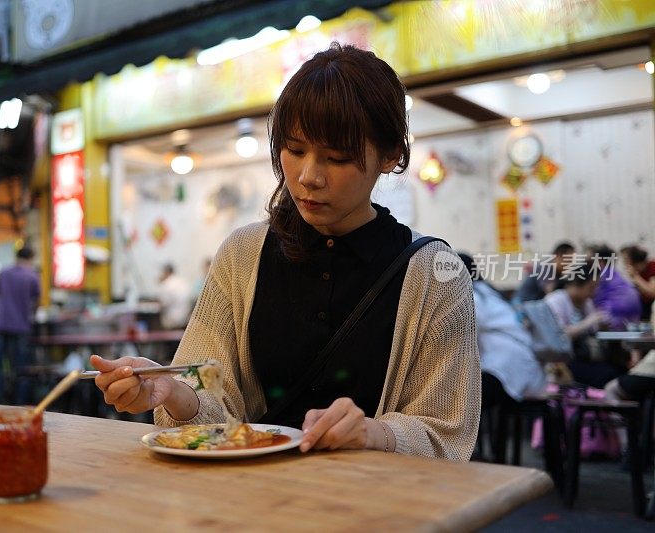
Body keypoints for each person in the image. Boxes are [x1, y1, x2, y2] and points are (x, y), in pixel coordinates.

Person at [90, 43, 480, 461]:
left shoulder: (437, 276)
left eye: (337, 157)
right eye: (294, 150)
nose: (309, 177)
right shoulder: (242, 255)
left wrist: (375, 433)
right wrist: (170, 390)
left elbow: (447, 434)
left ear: (390, 156)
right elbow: (208, 394)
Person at [459, 254, 545, 408]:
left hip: (505, 366)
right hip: (520, 362)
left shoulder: (473, 294)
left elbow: (465, 332)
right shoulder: (487, 291)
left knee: (460, 399)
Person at [544, 264, 620, 389]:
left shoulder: (586, 303)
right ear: (576, 284)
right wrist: (589, 322)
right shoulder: (555, 300)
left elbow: (593, 332)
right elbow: (559, 335)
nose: (595, 292)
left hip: (582, 357)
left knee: (617, 369)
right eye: (591, 287)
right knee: (607, 375)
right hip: (561, 363)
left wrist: (602, 325)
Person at [0, 246, 41, 404]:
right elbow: (36, 301)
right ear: (31, 258)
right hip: (21, 327)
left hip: (1, 325)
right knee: (20, 369)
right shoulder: (32, 276)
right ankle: (19, 403)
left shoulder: (4, 273)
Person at [587, 244, 642, 330]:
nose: (585, 265)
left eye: (589, 261)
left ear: (600, 261)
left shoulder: (601, 277)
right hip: (630, 324)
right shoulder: (615, 276)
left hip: (615, 325)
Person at [620, 245, 655, 322]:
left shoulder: (652, 266)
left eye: (626, 260)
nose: (625, 264)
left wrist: (635, 276)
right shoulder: (638, 272)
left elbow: (652, 292)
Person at [156, 263, 192, 330]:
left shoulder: (167, 283)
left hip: (172, 320)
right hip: (185, 319)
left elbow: (163, 304)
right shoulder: (183, 282)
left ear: (166, 272)